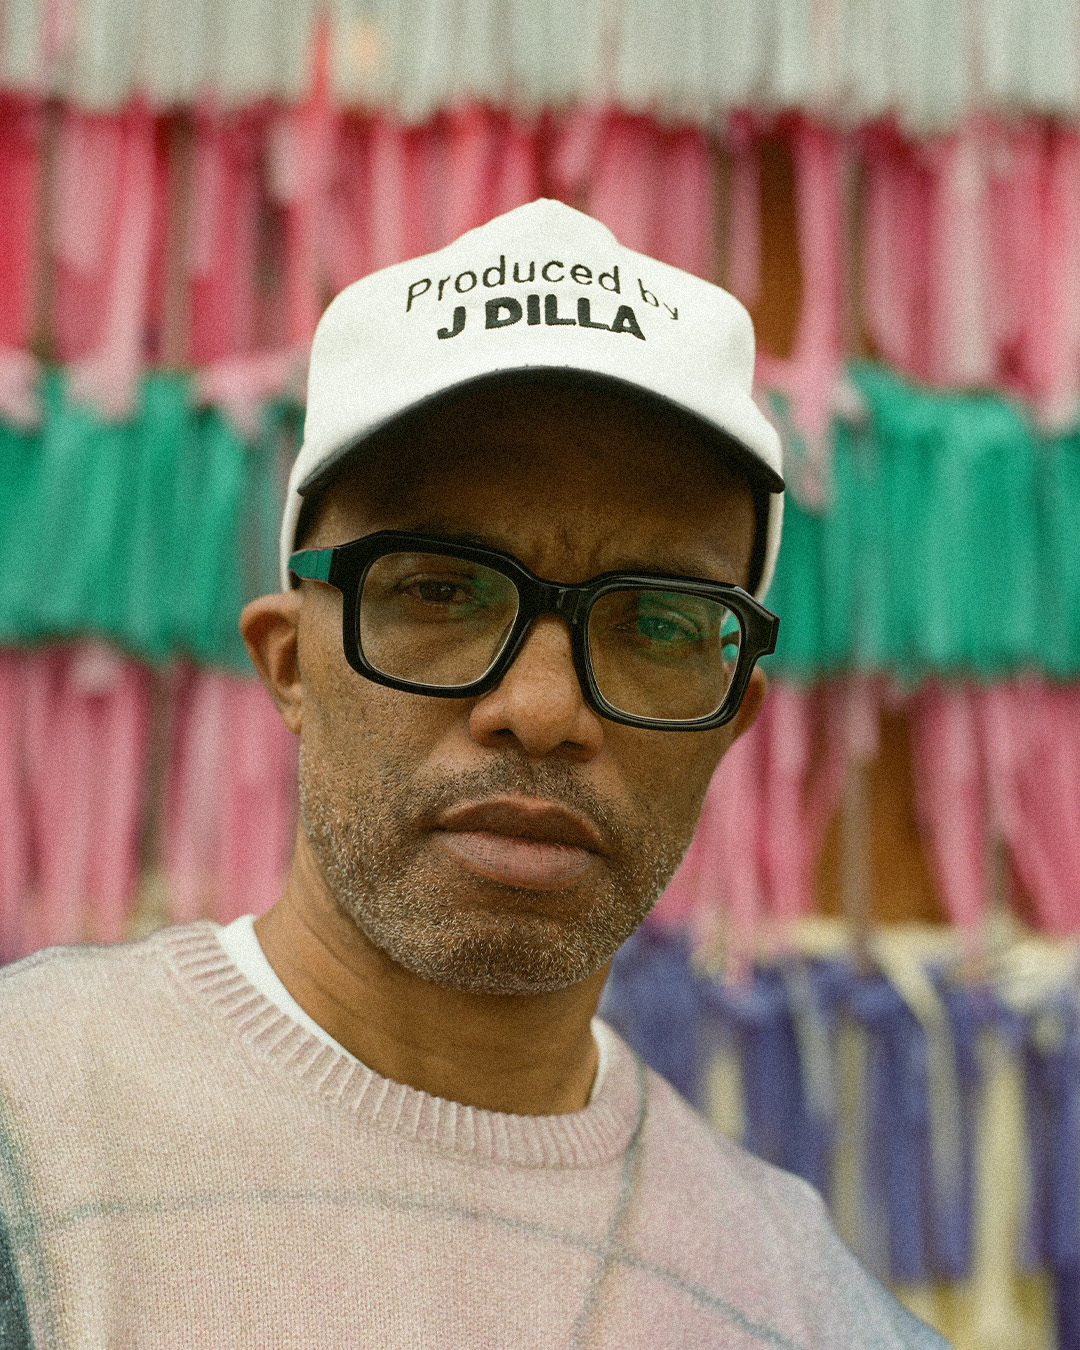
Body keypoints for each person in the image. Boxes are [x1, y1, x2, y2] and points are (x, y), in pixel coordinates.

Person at [0, 200, 948, 1347]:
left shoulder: (798, 1309)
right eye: (440, 589)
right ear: (291, 663)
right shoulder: (29, 1133)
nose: (541, 713)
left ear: (731, 721)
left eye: (656, 621)